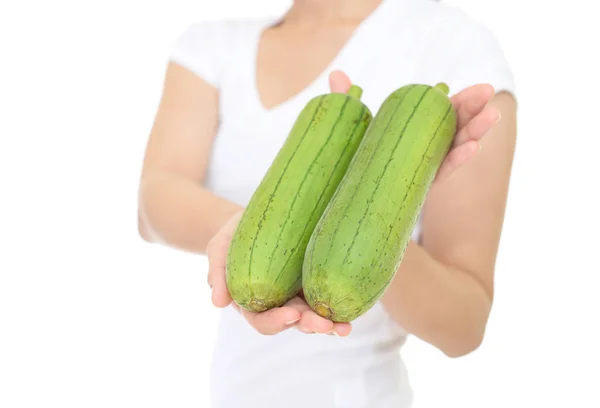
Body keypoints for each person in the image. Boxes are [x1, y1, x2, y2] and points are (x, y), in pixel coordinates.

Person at [137, 0, 517, 406]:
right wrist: (257, 228)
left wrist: (379, 210)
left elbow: (465, 326)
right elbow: (152, 204)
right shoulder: (212, 44)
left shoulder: (454, 46)